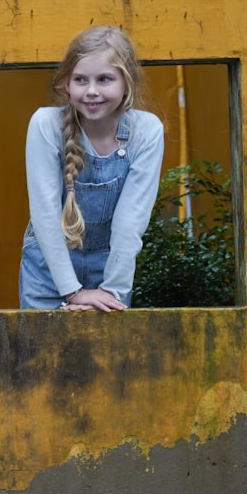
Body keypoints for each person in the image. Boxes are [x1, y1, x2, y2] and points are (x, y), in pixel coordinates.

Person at [19, 26, 164, 311]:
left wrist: (112, 291)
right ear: (66, 84)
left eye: (104, 79)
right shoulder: (45, 124)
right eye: (80, 80)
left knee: (104, 342)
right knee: (45, 343)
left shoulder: (146, 131)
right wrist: (72, 291)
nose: (92, 91)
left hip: (110, 267)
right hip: (47, 268)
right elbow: (45, 215)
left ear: (127, 82)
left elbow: (130, 222)